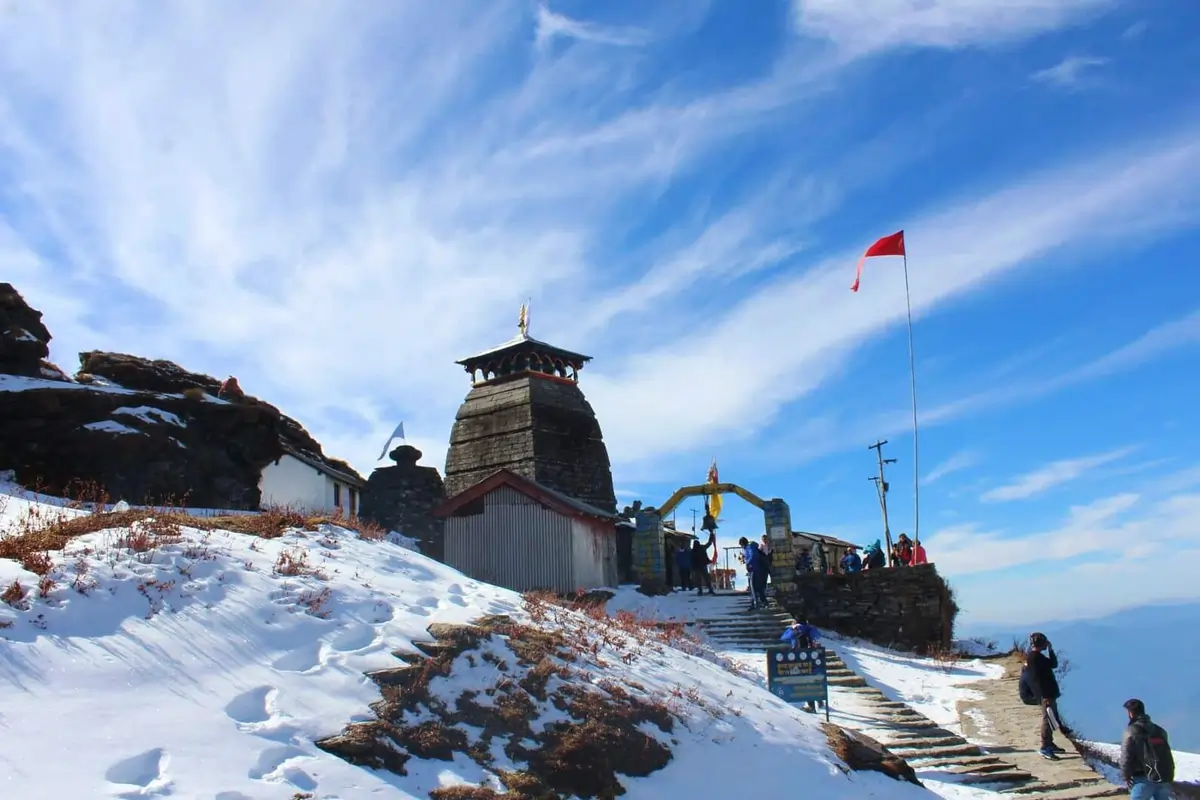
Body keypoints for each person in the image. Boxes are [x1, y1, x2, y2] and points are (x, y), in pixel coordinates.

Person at [1017, 632, 1066, 759]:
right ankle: (1045, 747)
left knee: (1051, 719)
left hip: (1048, 694)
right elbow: (1037, 680)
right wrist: (1044, 696)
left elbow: (1053, 664)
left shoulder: (1036, 657)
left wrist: (1050, 650)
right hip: (1046, 695)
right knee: (1047, 720)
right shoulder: (1034, 658)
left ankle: (1050, 743)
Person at [1121, 698, 1174, 799]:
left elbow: (1126, 756)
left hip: (1142, 778)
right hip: (1163, 778)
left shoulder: (1131, 731)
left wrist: (1126, 776)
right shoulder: (1160, 731)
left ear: (1130, 713)